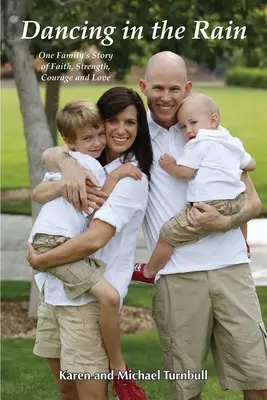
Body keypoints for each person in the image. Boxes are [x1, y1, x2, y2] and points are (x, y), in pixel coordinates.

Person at [30, 53, 266, 400]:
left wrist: (226, 220)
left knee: (257, 379)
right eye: (157, 88)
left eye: (174, 88)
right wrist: (65, 162)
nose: (166, 96)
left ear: (187, 88)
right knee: (186, 388)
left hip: (230, 266)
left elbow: (254, 201)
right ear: (145, 87)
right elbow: (69, 144)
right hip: (175, 275)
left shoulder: (208, 132)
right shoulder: (136, 140)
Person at [27, 87, 153, 400]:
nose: (120, 130)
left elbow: (96, 237)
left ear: (140, 129)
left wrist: (42, 260)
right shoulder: (82, 161)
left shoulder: (131, 177)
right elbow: (40, 191)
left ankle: (118, 365)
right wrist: (66, 166)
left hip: (85, 301)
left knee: (90, 395)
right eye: (112, 121)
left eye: (131, 123)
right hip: (55, 293)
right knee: (66, 390)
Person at [137, 93, 256, 279]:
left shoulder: (197, 144)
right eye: (183, 126)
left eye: (193, 123)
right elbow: (251, 165)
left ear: (213, 120)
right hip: (234, 202)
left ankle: (149, 271)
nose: (188, 131)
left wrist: (171, 166)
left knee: (168, 234)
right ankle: (243, 244)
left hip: (207, 205)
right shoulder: (231, 142)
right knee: (241, 216)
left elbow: (186, 172)